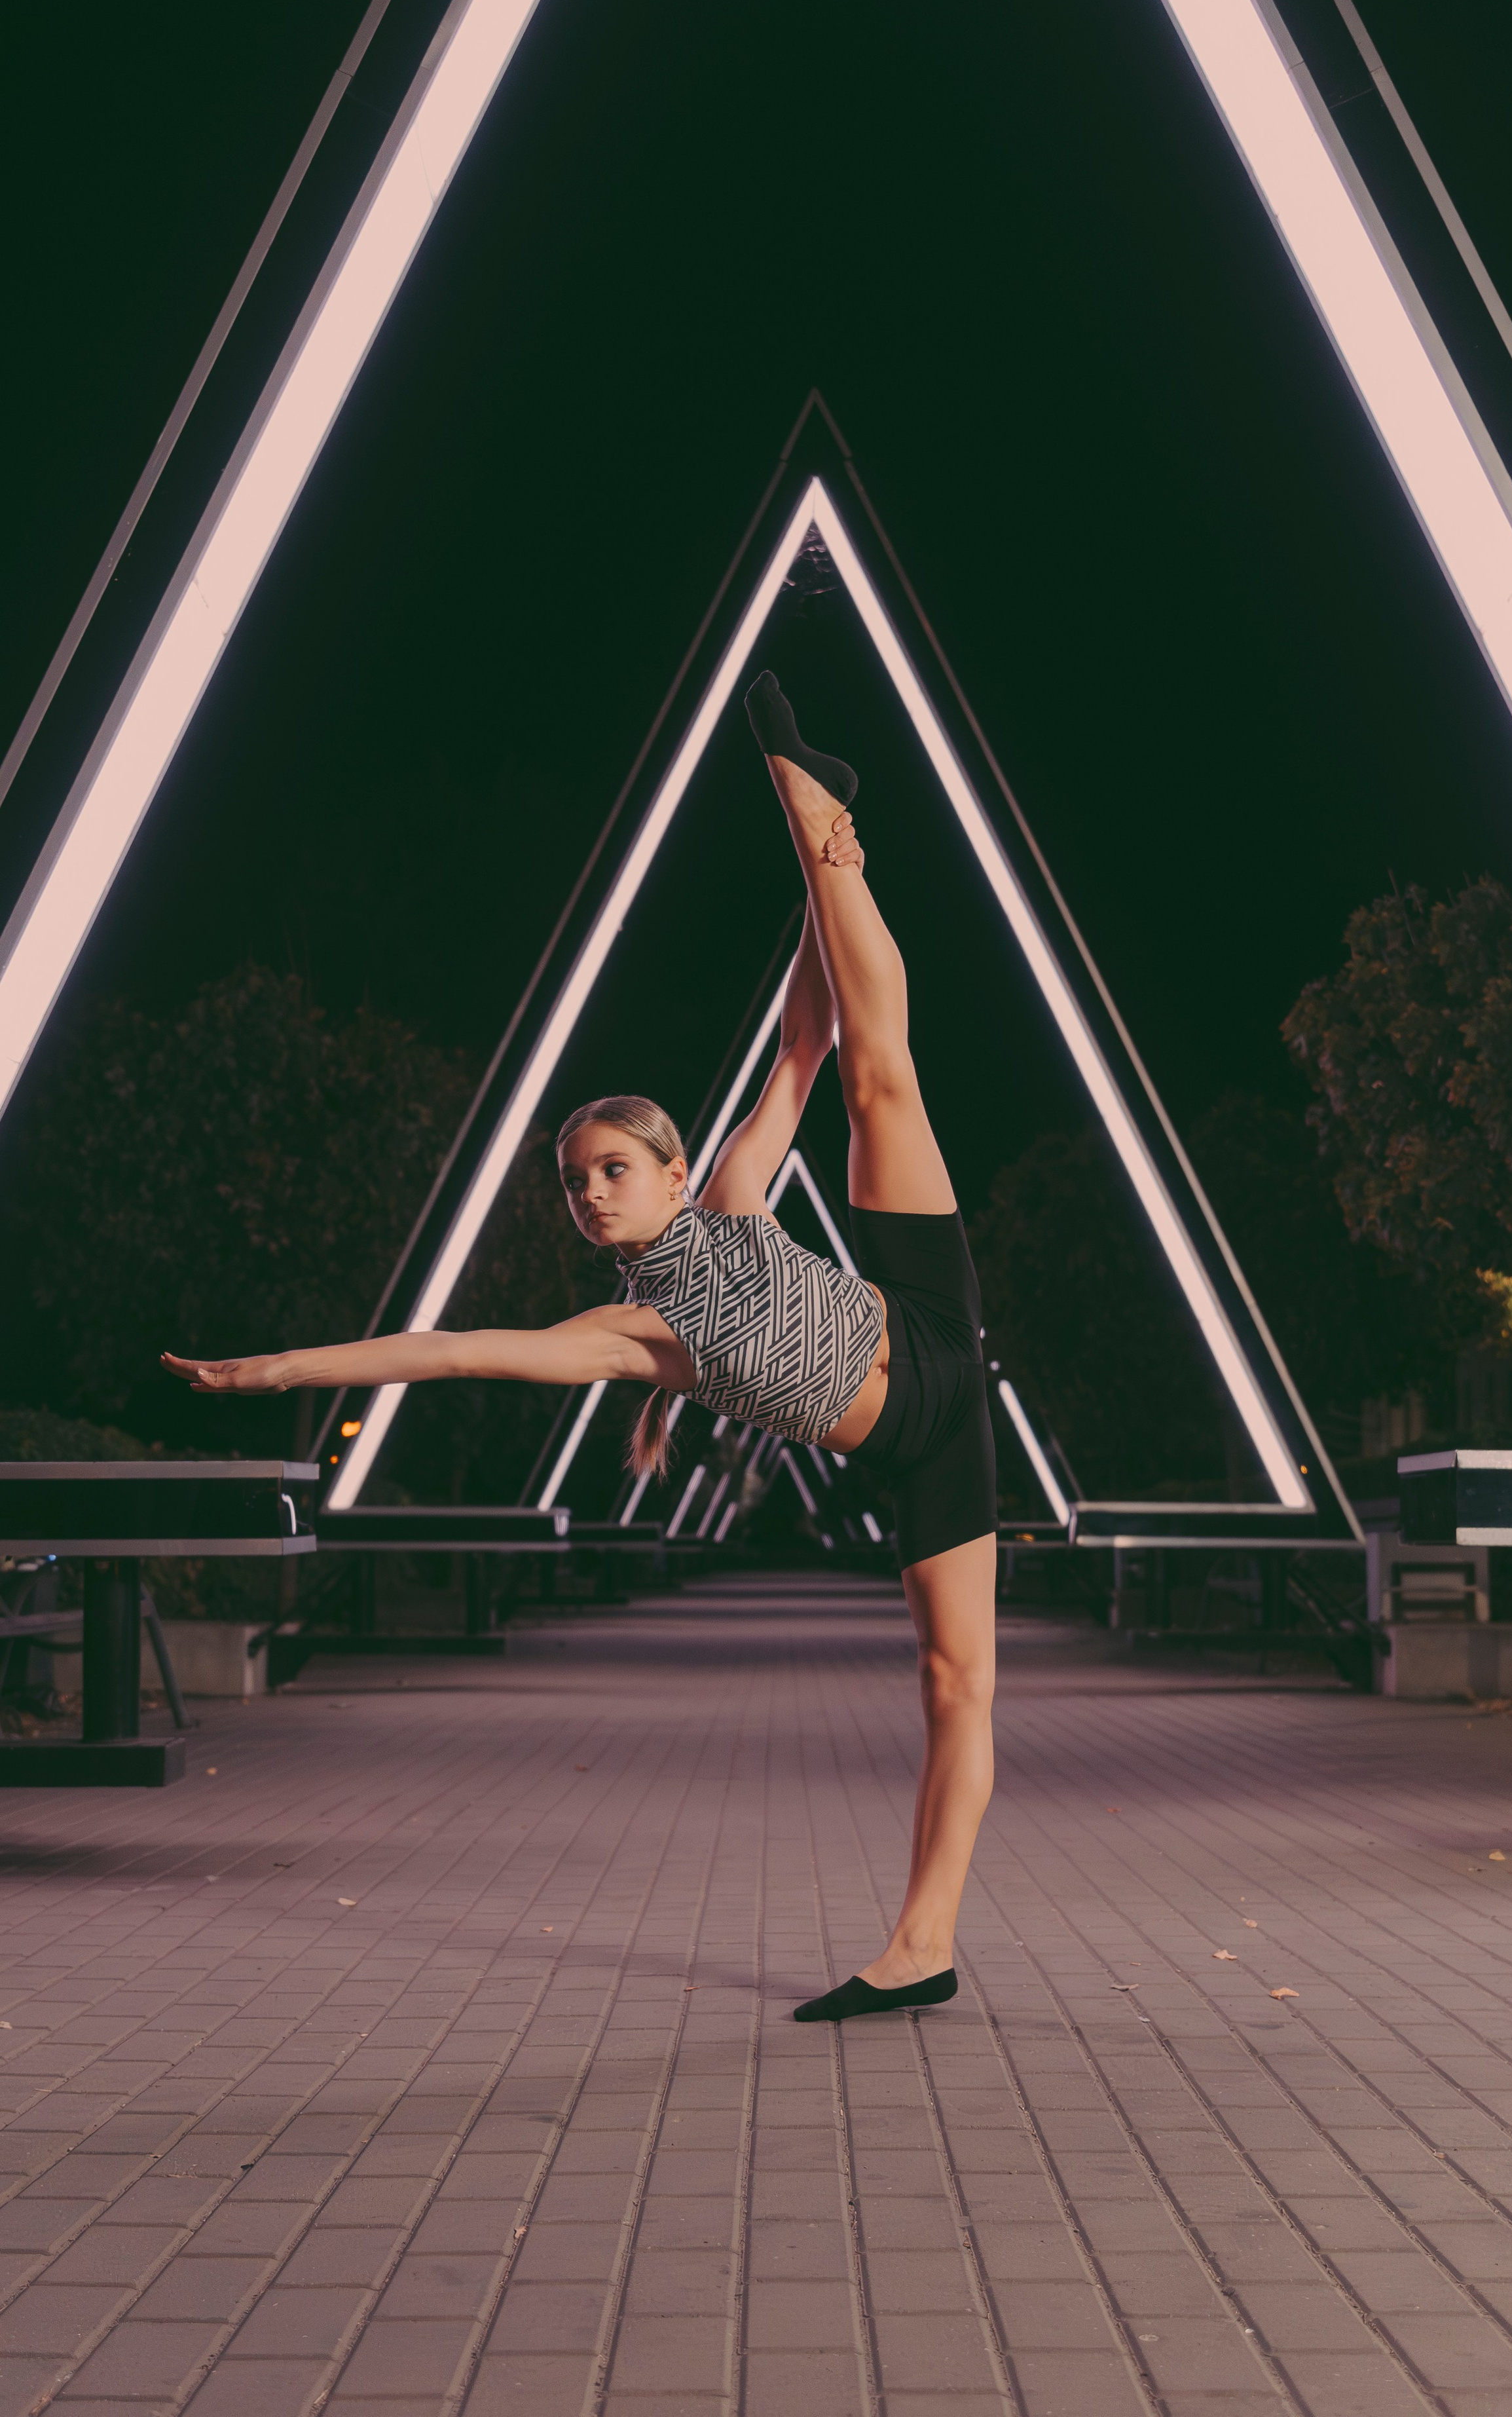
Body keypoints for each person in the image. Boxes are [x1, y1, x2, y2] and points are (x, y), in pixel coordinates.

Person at [165, 671, 998, 2023]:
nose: (592, 1193)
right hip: (931, 1444)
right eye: (572, 1182)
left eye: (613, 1166)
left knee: (874, 1070)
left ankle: (814, 800)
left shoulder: (733, 1196)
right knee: (954, 1684)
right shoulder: (629, 1336)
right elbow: (448, 1353)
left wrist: (818, 865)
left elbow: (807, 1039)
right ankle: (923, 1945)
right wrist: (264, 1374)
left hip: (921, 1309)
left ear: (670, 1172)